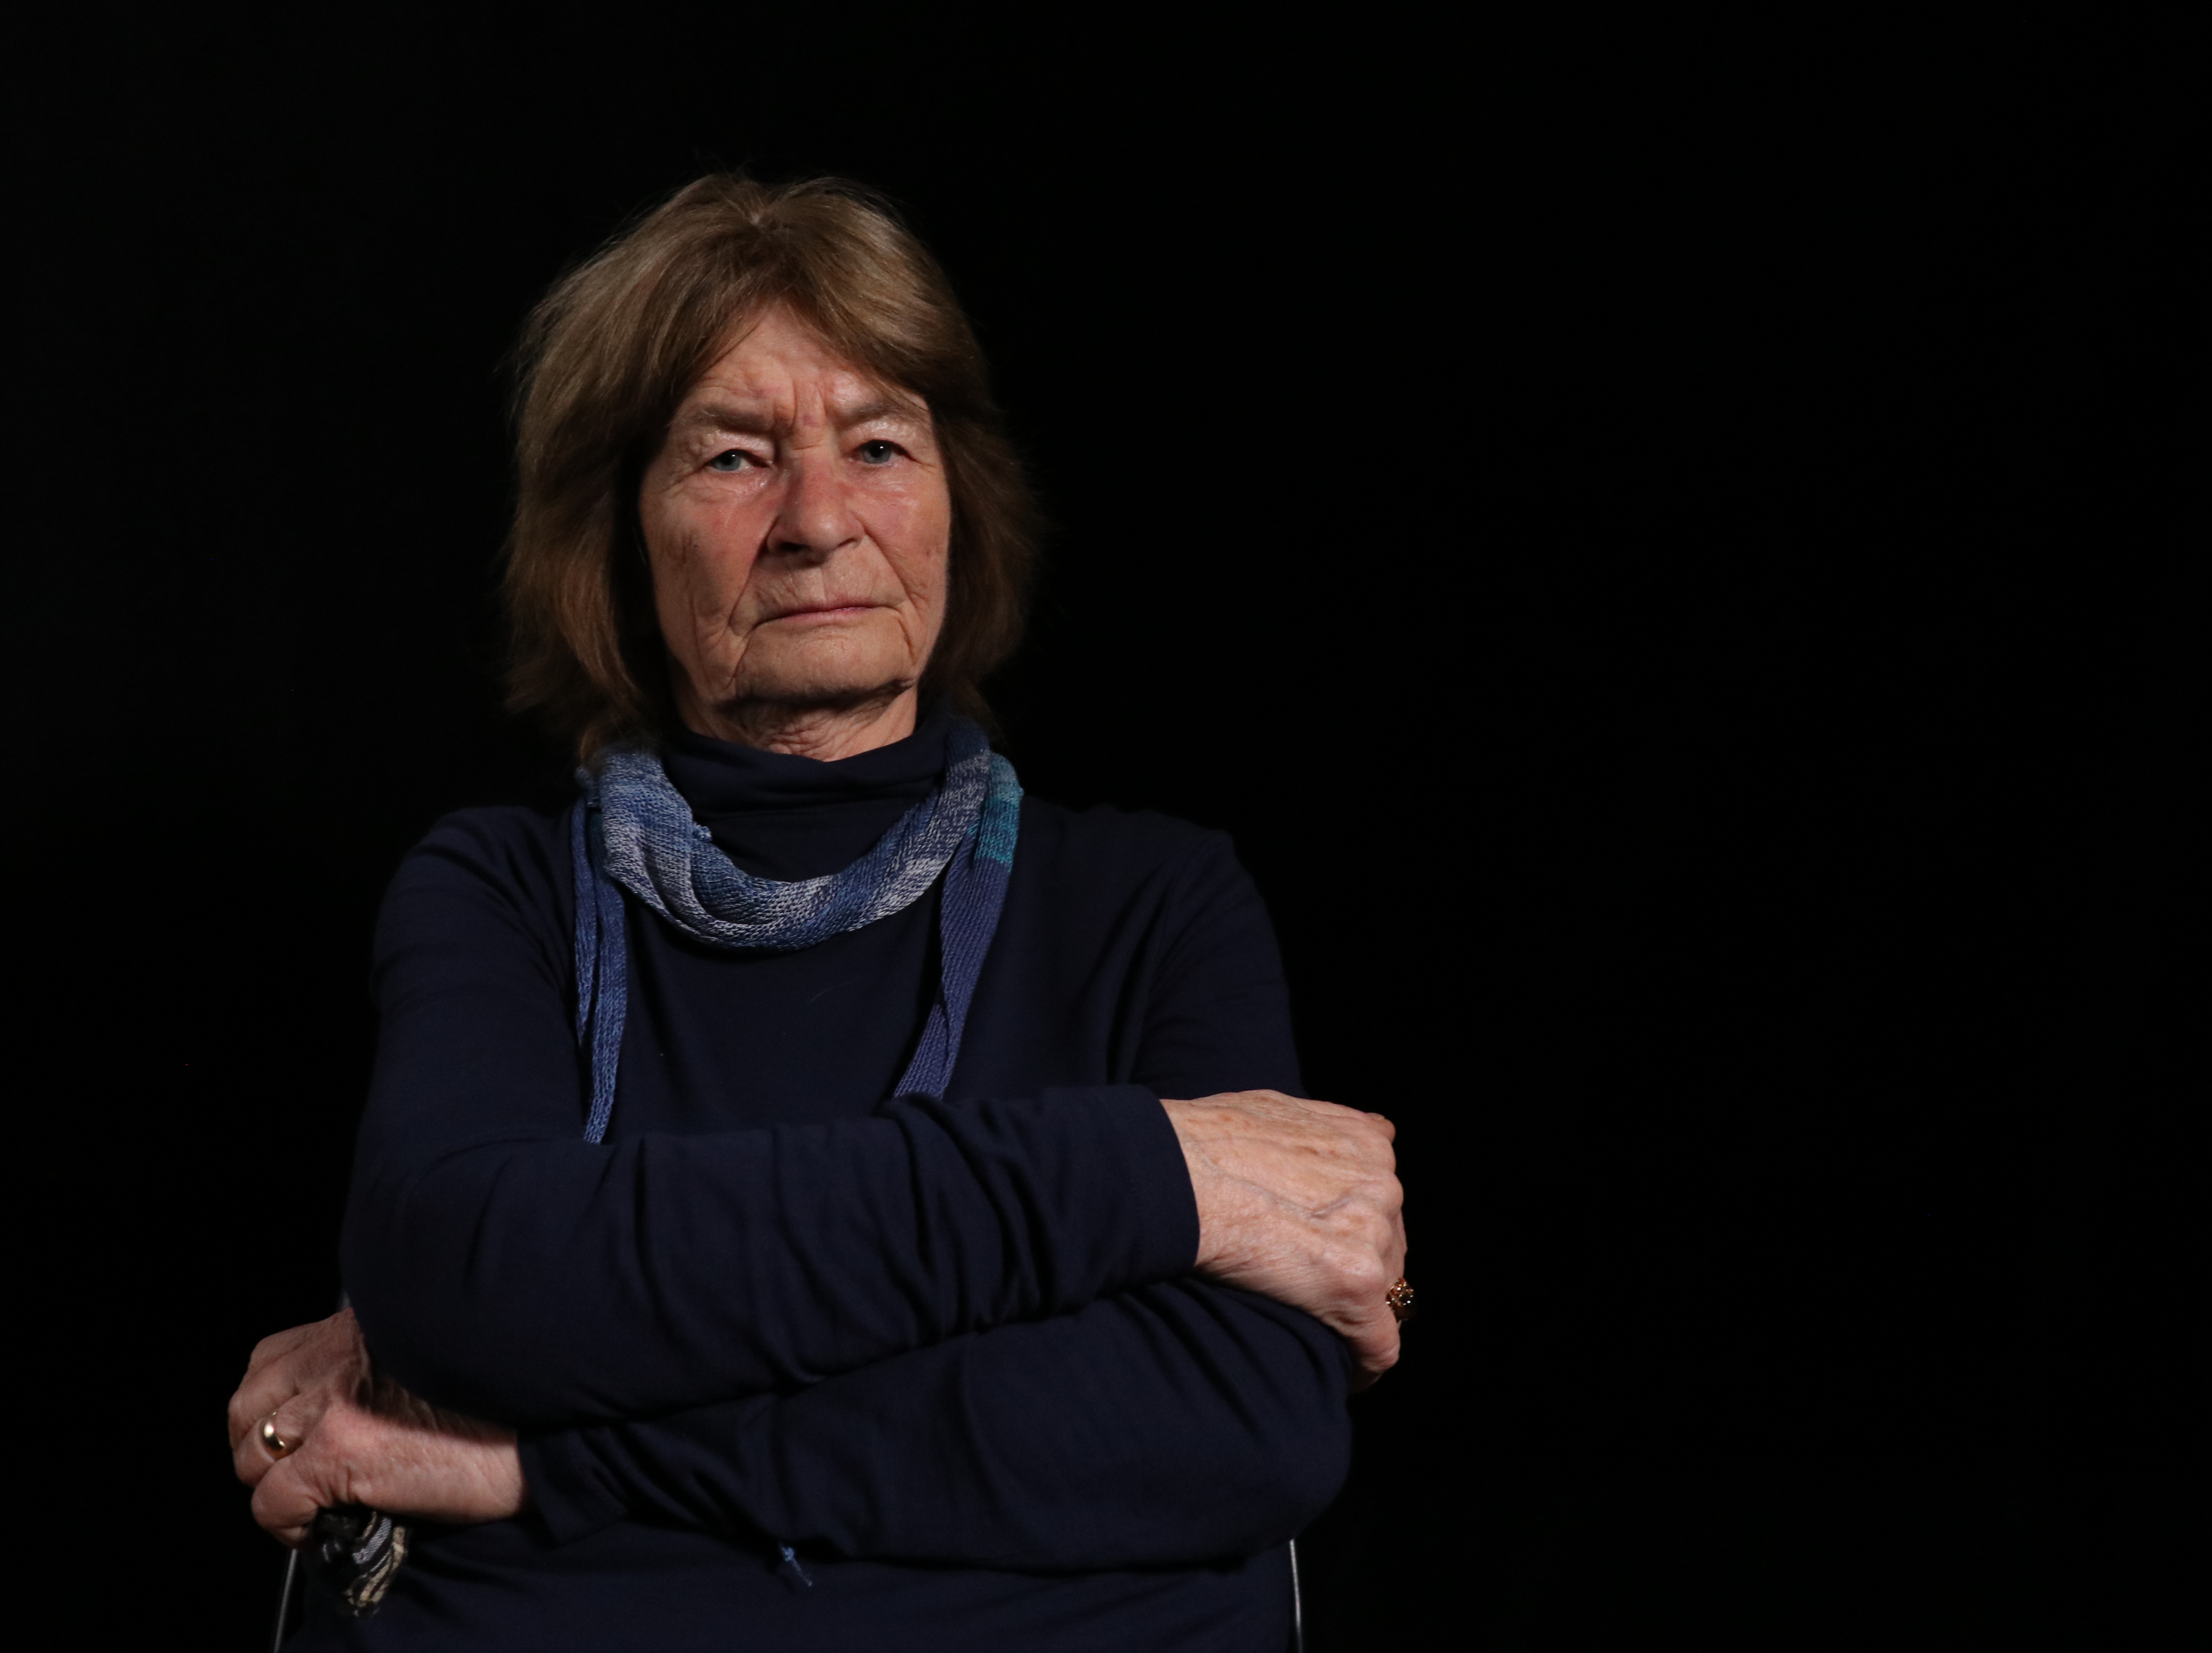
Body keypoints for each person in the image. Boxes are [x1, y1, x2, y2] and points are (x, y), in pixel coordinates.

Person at [225, 173, 1409, 1651]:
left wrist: (547, 1463)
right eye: (733, 457)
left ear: (960, 503)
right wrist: (1156, 1171)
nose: (818, 522)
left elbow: (1237, 1425)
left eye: (879, 445)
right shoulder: (501, 893)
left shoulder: (1155, 903)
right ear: (618, 534)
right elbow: (469, 1281)